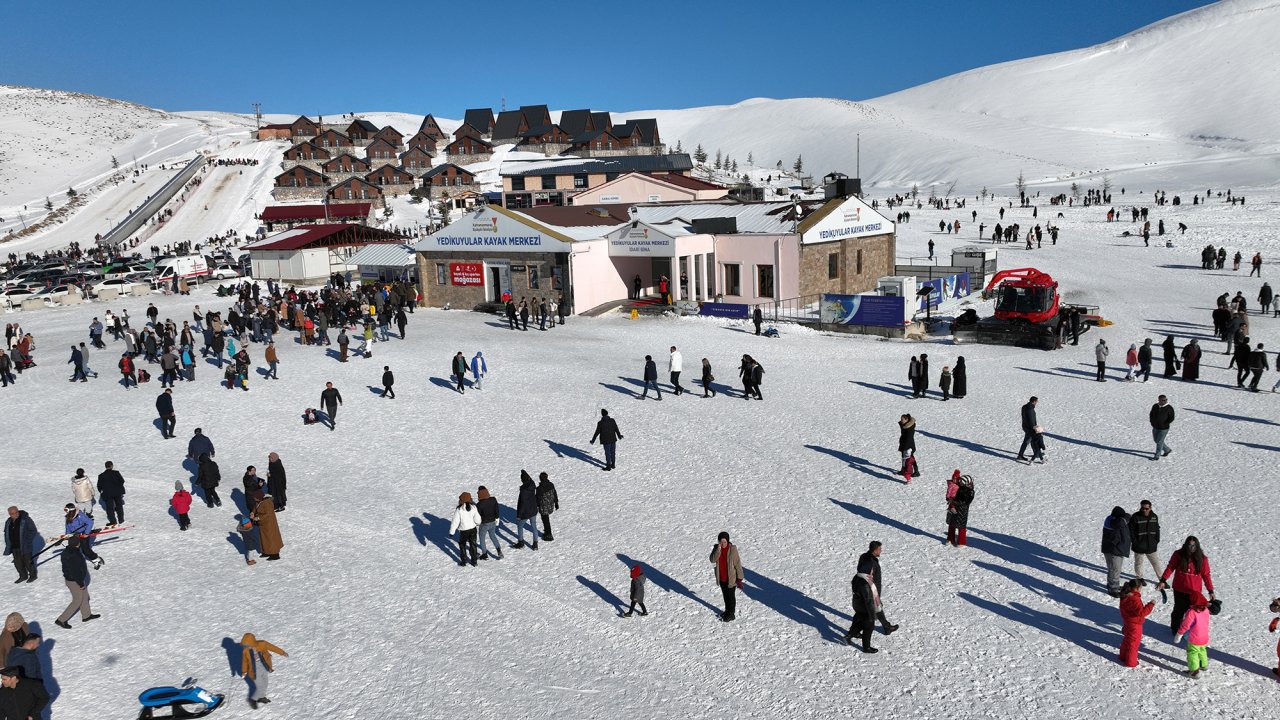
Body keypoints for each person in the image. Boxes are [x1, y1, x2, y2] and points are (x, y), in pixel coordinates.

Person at [1157, 536, 1216, 636]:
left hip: (1194, 592)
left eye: (1193, 546)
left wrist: (1210, 590)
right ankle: (1175, 629)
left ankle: (1192, 630)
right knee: (1178, 611)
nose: (1191, 548)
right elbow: (1171, 567)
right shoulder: (1178, 555)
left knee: (1193, 612)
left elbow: (1206, 575)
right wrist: (1163, 580)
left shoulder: (1202, 559)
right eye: (1189, 545)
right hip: (1180, 589)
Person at [54, 536, 99, 628]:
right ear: (77, 544)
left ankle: (86, 615)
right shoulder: (74, 554)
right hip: (75, 581)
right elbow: (76, 571)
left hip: (73, 579)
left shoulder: (68, 551)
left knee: (85, 596)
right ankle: (61, 620)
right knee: (77, 601)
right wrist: (81, 583)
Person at [239, 633, 287, 710]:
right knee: (260, 686)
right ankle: (253, 700)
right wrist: (244, 671)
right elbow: (245, 661)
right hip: (254, 670)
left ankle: (261, 697)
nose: (246, 647)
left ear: (252, 643)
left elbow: (272, 647)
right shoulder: (246, 651)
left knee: (265, 683)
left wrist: (282, 652)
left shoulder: (262, 644)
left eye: (247, 645)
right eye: (245, 646)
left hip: (264, 666)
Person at [1118, 579, 1156, 668]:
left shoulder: (1125, 596)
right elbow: (1142, 613)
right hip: (1135, 625)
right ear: (1137, 588)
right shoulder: (1135, 599)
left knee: (1127, 640)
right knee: (1133, 644)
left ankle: (1123, 656)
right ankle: (1131, 662)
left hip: (1127, 622)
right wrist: (1151, 605)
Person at [1174, 592, 1212, 678]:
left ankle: (1195, 671)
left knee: (1192, 653)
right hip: (1204, 636)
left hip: (1195, 637)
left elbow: (1185, 625)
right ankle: (1203, 665)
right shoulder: (1206, 610)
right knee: (1202, 650)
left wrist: (1179, 634)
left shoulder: (1192, 612)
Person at [710, 531, 744, 622]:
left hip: (731, 578)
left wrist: (739, 577)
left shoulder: (733, 549)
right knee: (725, 596)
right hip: (721, 578)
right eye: (721, 542)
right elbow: (712, 560)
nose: (723, 544)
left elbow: (737, 563)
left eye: (724, 542)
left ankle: (731, 614)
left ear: (728, 541)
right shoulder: (717, 548)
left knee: (731, 597)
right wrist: (718, 550)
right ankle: (727, 611)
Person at [3, 507, 39, 583]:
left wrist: (27, 541)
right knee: (18, 563)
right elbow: (6, 532)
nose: (15, 514)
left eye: (16, 512)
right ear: (9, 514)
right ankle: (23, 576)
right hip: (14, 546)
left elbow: (33, 531)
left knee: (28, 561)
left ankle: (33, 575)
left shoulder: (25, 519)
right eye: (12, 513)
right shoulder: (8, 521)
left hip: (25, 545)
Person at [1102, 506, 1132, 596]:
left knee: (1114, 568)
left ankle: (1112, 584)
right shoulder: (1110, 520)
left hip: (1116, 549)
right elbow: (1120, 523)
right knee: (1115, 569)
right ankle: (1113, 589)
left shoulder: (1115, 519)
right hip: (1112, 550)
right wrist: (1127, 517)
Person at [1130, 500, 1161, 585]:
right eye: (1142, 508)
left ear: (1150, 508)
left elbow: (1157, 529)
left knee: (1156, 563)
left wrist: (1156, 540)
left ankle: (1162, 579)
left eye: (1146, 508)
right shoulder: (1135, 517)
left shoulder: (1154, 517)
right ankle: (1140, 578)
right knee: (1139, 563)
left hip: (1151, 545)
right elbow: (1131, 530)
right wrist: (1135, 542)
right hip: (1139, 546)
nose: (1144, 510)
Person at [448, 492, 481, 567]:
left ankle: (464, 560)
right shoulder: (474, 507)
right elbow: (478, 519)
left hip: (463, 531)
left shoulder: (459, 509)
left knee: (462, 544)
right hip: (473, 529)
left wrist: (452, 532)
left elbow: (455, 521)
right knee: (473, 545)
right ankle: (474, 561)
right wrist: (478, 523)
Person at [946, 471, 974, 546]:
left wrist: (953, 502)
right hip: (954, 507)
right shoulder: (960, 487)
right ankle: (950, 539)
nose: (960, 483)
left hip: (962, 510)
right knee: (951, 524)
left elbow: (965, 502)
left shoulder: (969, 491)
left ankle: (962, 542)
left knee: (961, 526)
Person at [252, 494, 283, 561]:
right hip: (263, 524)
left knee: (270, 539)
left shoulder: (267, 503)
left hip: (269, 524)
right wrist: (252, 512)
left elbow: (268, 514)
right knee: (264, 539)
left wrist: (258, 518)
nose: (254, 499)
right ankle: (267, 552)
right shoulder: (259, 501)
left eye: (255, 497)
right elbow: (256, 507)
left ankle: (275, 554)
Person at [513, 470, 539, 550]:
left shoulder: (524, 490)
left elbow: (522, 504)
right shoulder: (532, 484)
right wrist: (524, 472)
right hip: (533, 510)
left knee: (520, 525)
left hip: (526, 512)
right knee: (534, 526)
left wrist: (519, 515)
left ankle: (521, 542)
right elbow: (530, 479)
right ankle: (535, 544)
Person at [476, 486, 502, 561]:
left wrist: (477, 523)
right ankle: (499, 551)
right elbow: (496, 509)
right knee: (493, 536)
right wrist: (497, 518)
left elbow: (478, 516)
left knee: (482, 538)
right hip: (493, 522)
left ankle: (485, 554)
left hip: (484, 524)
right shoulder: (493, 500)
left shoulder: (479, 504)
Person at [97, 461, 126, 527]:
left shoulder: (101, 476)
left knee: (110, 508)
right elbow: (122, 481)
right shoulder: (116, 473)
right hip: (117, 492)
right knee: (119, 506)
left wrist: (102, 491)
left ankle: (113, 521)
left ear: (105, 466)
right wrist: (118, 486)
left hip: (107, 493)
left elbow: (99, 486)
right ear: (111, 466)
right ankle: (121, 519)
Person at [1016, 397, 1043, 463]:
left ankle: (1033, 453)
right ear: (1034, 401)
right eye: (1036, 402)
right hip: (1030, 428)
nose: (1037, 403)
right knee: (1029, 441)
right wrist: (1035, 428)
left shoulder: (1025, 407)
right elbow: (1031, 420)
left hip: (1025, 427)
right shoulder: (1030, 409)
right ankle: (1021, 455)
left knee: (1030, 440)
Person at [1150, 395, 1174, 460]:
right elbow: (1151, 414)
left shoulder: (1169, 408)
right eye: (1162, 400)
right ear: (1159, 400)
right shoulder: (1155, 406)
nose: (1164, 401)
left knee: (1159, 442)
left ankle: (1157, 455)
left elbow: (1172, 417)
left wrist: (1165, 423)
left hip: (1164, 428)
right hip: (1155, 427)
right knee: (1156, 440)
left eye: (1165, 400)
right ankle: (1167, 450)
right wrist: (1152, 422)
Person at [536, 472, 559, 542]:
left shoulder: (539, 488)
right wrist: (556, 503)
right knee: (546, 520)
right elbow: (555, 494)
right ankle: (547, 532)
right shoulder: (551, 485)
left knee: (545, 521)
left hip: (543, 507)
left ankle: (548, 534)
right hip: (550, 505)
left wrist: (536, 506)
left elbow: (537, 498)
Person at [897, 414, 919, 480]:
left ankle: (916, 471)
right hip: (904, 445)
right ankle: (903, 470)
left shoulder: (909, 428)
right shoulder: (905, 426)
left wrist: (907, 448)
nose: (901, 421)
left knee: (909, 460)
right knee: (905, 459)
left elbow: (909, 439)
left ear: (907, 420)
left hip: (908, 446)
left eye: (902, 419)